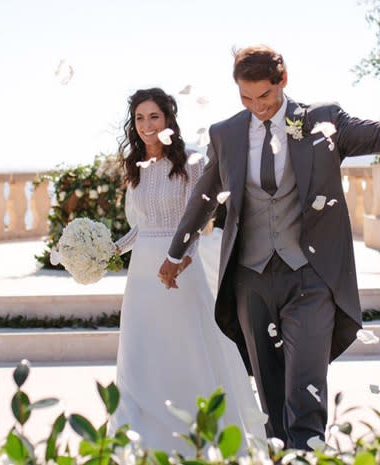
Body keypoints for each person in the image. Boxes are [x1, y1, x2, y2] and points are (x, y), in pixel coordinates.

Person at [158, 19, 380, 449]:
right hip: (250, 280)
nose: (258, 106)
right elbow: (206, 195)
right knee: (270, 399)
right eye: (247, 98)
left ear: (283, 79)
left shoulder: (323, 120)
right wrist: (176, 254)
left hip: (310, 277)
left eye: (265, 95)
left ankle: (308, 455)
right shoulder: (226, 133)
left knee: (304, 390)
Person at [111, 87, 266, 450]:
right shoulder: (133, 166)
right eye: (140, 118)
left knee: (188, 348)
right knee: (141, 350)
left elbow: (197, 220)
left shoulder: (192, 163)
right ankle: (144, 437)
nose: (147, 125)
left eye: (154, 117)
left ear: (168, 119)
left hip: (180, 268)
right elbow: (143, 226)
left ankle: (196, 432)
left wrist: (180, 259)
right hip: (142, 275)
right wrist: (109, 251)